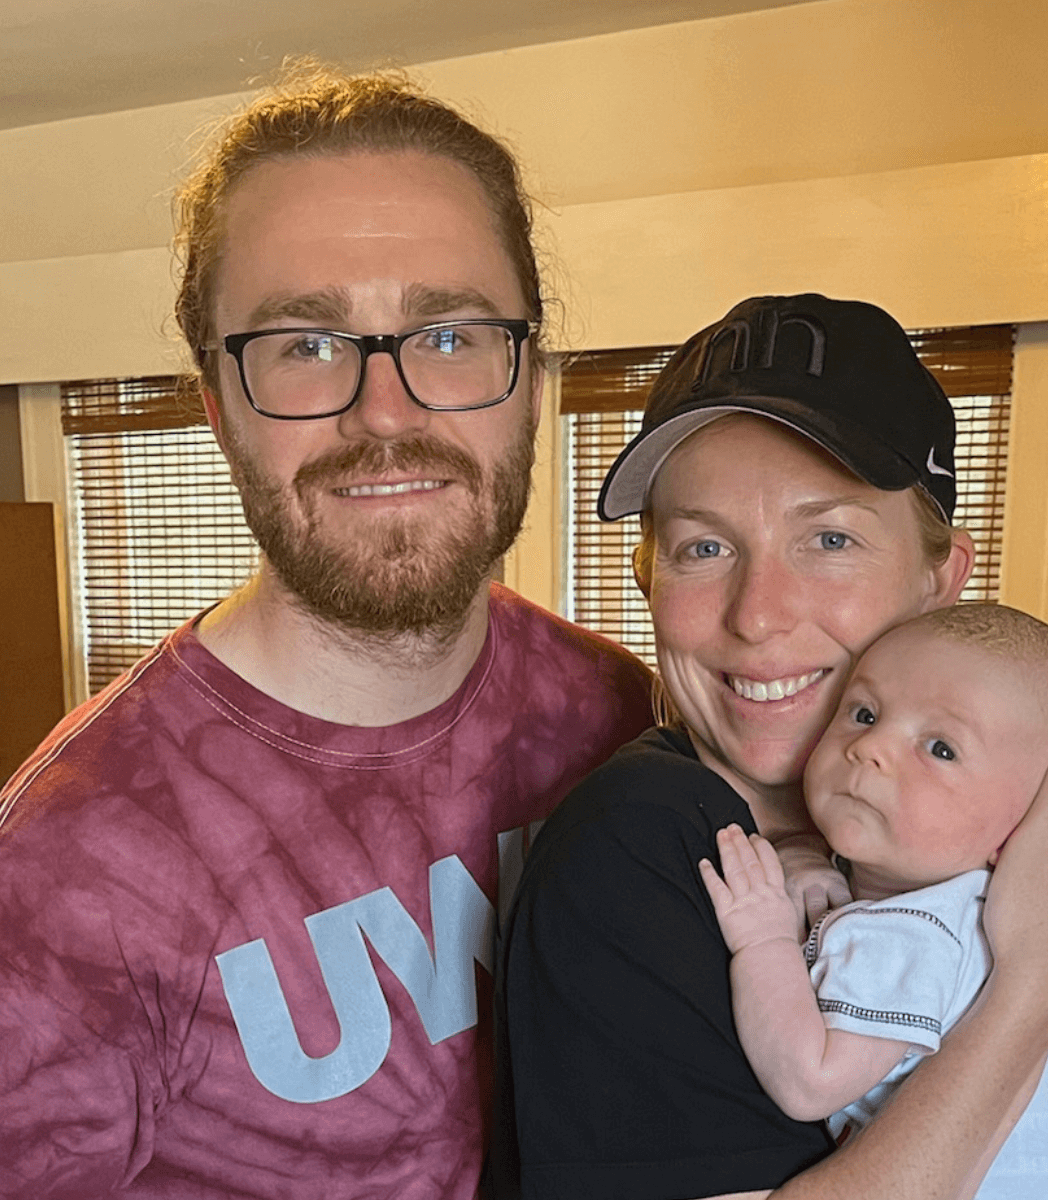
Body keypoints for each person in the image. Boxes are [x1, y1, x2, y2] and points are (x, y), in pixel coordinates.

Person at [0, 64, 653, 1198]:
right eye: (304, 346)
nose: (385, 414)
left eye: (448, 335)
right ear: (216, 404)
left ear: (530, 378)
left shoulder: (614, 709)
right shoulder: (64, 879)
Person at [494, 293, 1048, 1199]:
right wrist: (1028, 997)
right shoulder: (641, 843)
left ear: (944, 577)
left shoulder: (977, 827)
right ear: (647, 580)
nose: (759, 614)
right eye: (702, 549)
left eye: (829, 538)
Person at [700, 602, 1048, 1198]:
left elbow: (811, 1081)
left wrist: (764, 938)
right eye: (864, 712)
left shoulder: (916, 929)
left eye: (941, 749)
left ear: (1028, 831)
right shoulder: (972, 919)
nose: (871, 748)